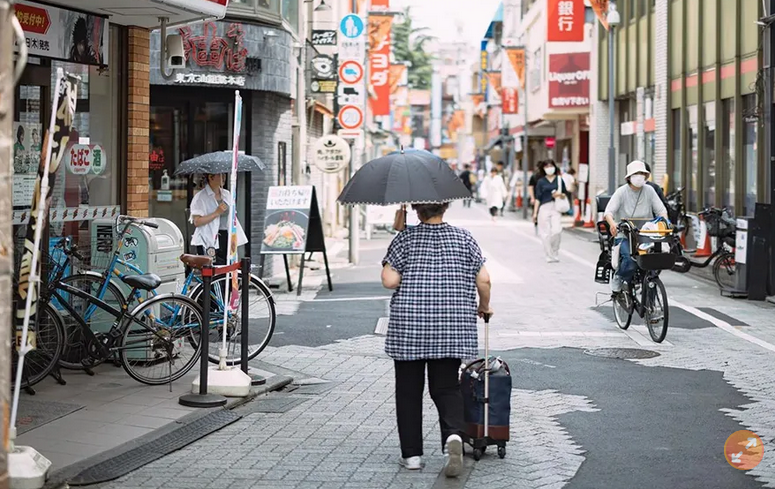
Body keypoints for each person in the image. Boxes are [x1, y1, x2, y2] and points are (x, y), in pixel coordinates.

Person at [381, 202, 492, 478]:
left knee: (408, 391)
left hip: (411, 327)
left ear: (417, 209)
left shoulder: (405, 237)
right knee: (446, 388)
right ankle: (453, 436)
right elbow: (484, 280)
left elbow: (389, 280)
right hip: (451, 325)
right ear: (446, 207)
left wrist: (394, 243)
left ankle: (412, 457)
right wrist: (484, 305)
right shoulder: (464, 237)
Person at [604, 160, 669, 293]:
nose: (639, 176)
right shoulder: (621, 192)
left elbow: (661, 211)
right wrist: (613, 224)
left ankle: (650, 298)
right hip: (625, 235)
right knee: (630, 261)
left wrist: (663, 224)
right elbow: (608, 212)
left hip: (646, 235)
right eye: (636, 174)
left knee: (654, 262)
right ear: (629, 177)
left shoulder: (650, 190)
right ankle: (619, 277)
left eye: (642, 173)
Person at [189, 173, 248, 264]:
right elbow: (197, 222)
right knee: (212, 271)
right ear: (211, 177)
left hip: (226, 236)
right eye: (220, 175)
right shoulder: (200, 197)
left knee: (227, 268)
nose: (224, 177)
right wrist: (216, 213)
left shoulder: (227, 194)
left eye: (224, 175)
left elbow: (232, 217)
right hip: (208, 239)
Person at [533, 160, 571, 263]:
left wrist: (559, 195)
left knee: (557, 231)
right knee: (545, 233)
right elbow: (537, 198)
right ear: (543, 168)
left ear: (554, 167)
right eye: (547, 166)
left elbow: (565, 193)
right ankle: (549, 255)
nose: (549, 168)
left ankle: (555, 252)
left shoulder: (559, 180)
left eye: (551, 166)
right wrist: (535, 213)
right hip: (544, 207)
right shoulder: (541, 182)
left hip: (556, 207)